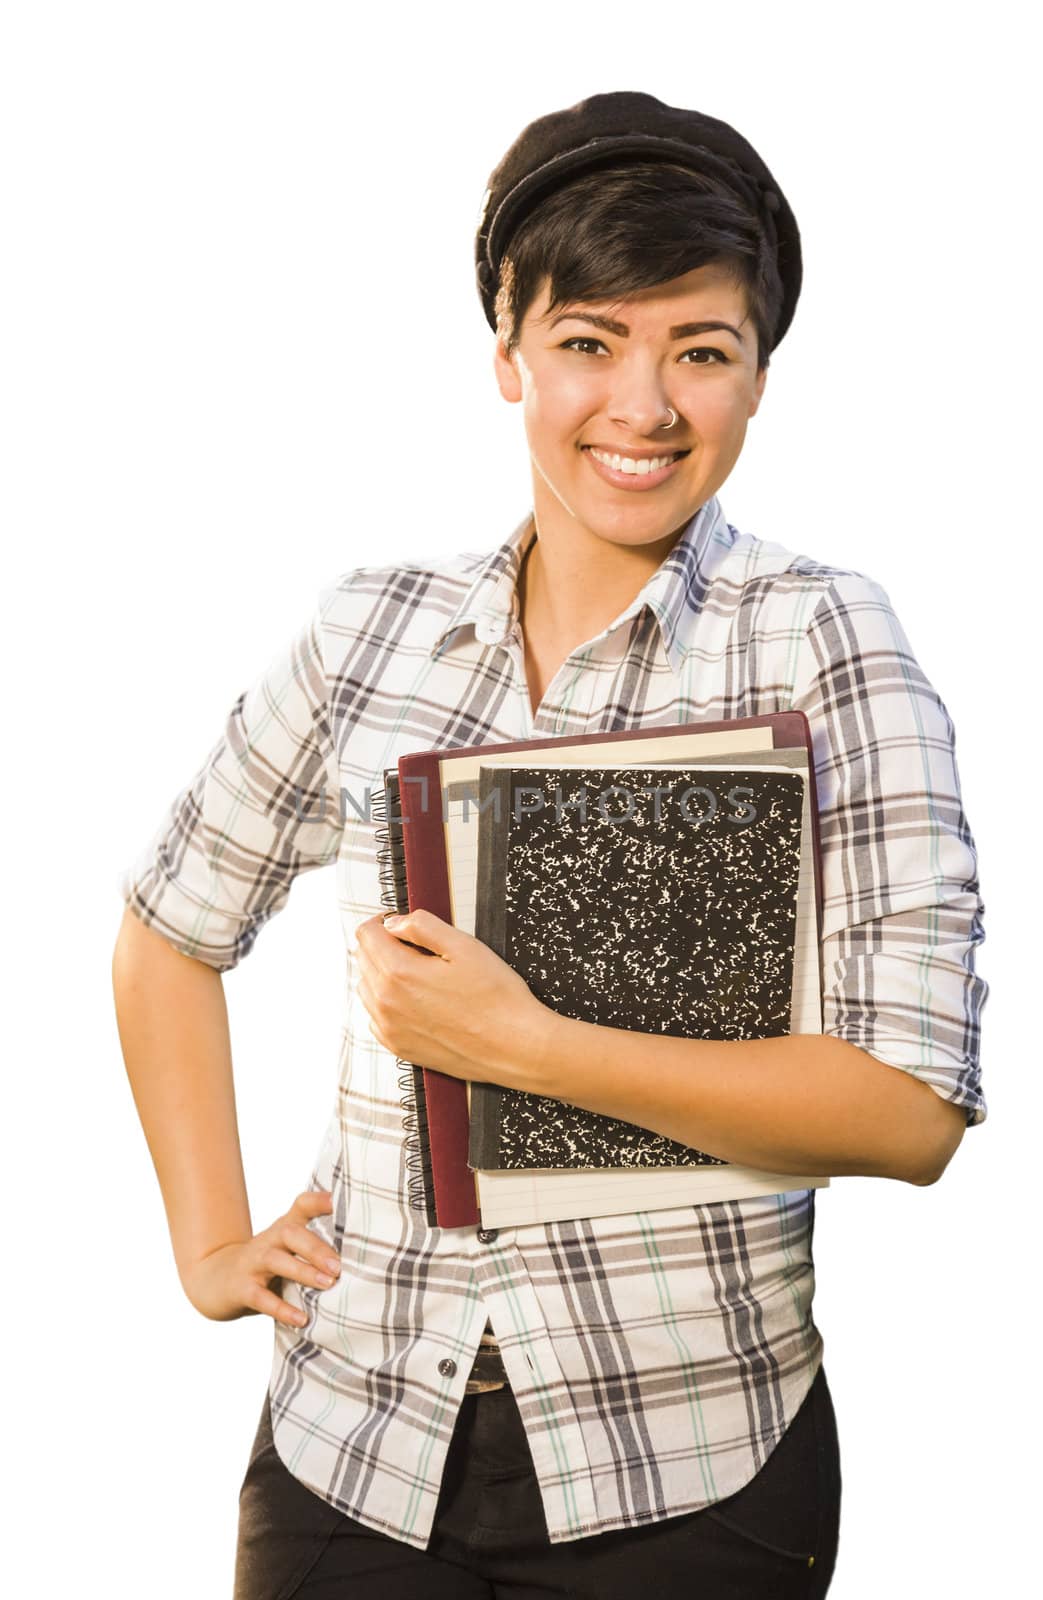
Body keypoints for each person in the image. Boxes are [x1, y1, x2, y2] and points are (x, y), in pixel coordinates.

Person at [111, 91, 988, 1598]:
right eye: (589, 341)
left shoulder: (824, 640)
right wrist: (207, 1247)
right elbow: (166, 932)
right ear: (507, 352)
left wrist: (522, 1043)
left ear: (759, 377)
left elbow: (909, 1112)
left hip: (688, 1462)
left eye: (699, 351)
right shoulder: (367, 631)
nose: (641, 405)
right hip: (354, 1440)